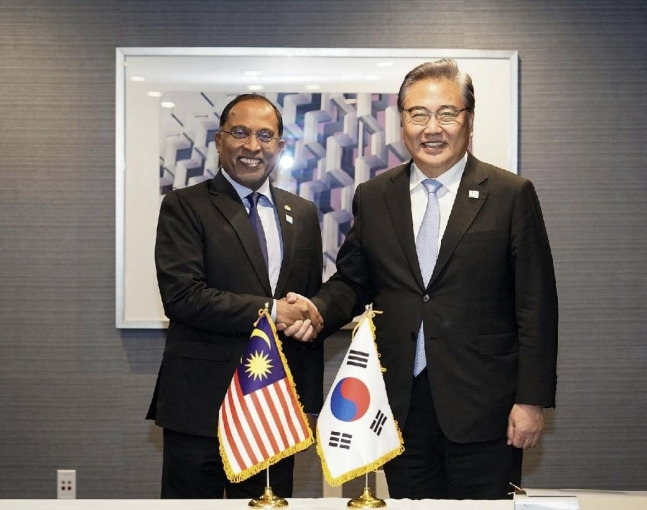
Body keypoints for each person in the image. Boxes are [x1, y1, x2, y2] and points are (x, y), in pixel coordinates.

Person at [284, 59, 558, 500]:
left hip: (485, 406)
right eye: (418, 114)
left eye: (447, 113)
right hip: (398, 405)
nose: (433, 127)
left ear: (469, 121)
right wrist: (316, 310)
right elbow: (354, 282)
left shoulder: (510, 194)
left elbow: (536, 305)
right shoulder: (375, 196)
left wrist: (530, 401)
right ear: (402, 122)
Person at [147, 93, 324, 499]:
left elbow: (305, 300)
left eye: (265, 135)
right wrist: (271, 311)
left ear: (280, 147)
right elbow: (182, 297)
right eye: (240, 133)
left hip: (274, 408)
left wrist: (306, 320)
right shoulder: (184, 206)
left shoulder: (305, 214)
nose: (252, 146)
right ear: (219, 139)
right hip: (199, 407)